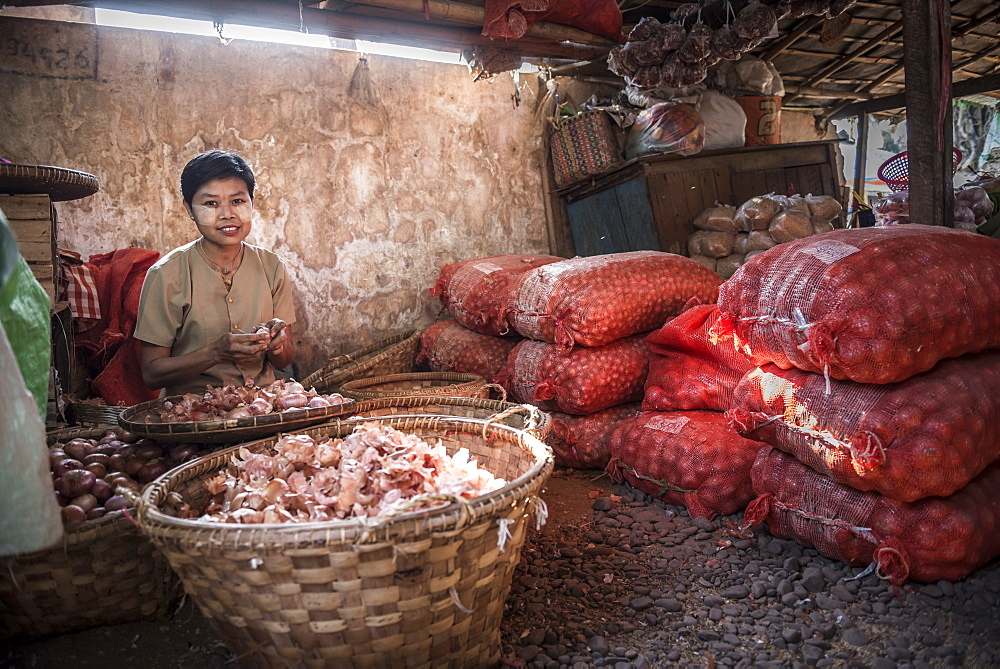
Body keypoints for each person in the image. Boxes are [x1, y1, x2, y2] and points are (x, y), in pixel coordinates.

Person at [134, 150, 296, 397]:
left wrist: (277, 344)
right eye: (211, 203)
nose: (227, 214)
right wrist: (215, 353)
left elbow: (284, 360)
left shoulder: (271, 266)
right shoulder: (166, 274)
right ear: (189, 208)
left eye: (238, 201)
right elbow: (152, 374)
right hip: (193, 412)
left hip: (263, 405)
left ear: (252, 202)